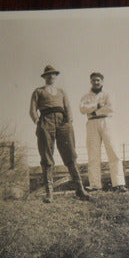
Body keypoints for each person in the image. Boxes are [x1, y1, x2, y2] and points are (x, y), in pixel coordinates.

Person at [30, 65, 89, 202]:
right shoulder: (38, 91)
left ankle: (80, 189)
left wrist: (69, 121)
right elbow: (32, 110)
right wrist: (38, 121)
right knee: (46, 157)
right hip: (46, 121)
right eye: (48, 75)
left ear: (56, 76)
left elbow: (68, 107)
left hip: (63, 123)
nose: (51, 77)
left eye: (53, 74)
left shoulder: (61, 91)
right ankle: (49, 193)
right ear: (44, 77)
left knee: (71, 155)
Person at [79, 72, 126, 192]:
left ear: (102, 81)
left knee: (113, 151)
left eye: (98, 80)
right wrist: (98, 105)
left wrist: (94, 111)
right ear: (90, 81)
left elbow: (111, 108)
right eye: (93, 80)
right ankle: (95, 185)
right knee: (93, 154)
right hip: (91, 124)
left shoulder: (108, 93)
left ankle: (119, 183)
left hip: (107, 122)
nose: (96, 82)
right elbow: (82, 109)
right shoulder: (85, 97)